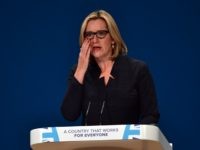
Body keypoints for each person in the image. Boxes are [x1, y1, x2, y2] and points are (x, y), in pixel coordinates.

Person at [61, 10, 160, 125]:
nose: (94, 40)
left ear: (113, 38)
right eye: (89, 35)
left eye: (101, 33)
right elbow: (69, 114)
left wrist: (135, 140)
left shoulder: (137, 70)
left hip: (126, 143)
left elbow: (150, 116)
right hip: (90, 143)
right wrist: (81, 70)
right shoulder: (78, 72)